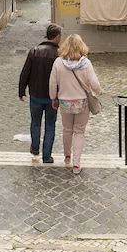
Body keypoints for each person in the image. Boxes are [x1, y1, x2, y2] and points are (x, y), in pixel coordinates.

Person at [49, 34, 102, 175]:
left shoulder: (58, 63)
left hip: (64, 101)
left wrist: (53, 97)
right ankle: (76, 164)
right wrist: (98, 91)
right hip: (81, 102)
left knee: (67, 129)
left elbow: (52, 83)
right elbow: (95, 84)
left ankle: (67, 155)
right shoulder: (86, 63)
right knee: (79, 131)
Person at [18, 23, 63, 163]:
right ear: (56, 37)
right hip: (52, 97)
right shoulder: (60, 54)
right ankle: (47, 156)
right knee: (50, 125)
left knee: (35, 122)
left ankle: (35, 148)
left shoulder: (35, 51)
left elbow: (25, 73)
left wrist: (21, 90)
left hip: (36, 95)